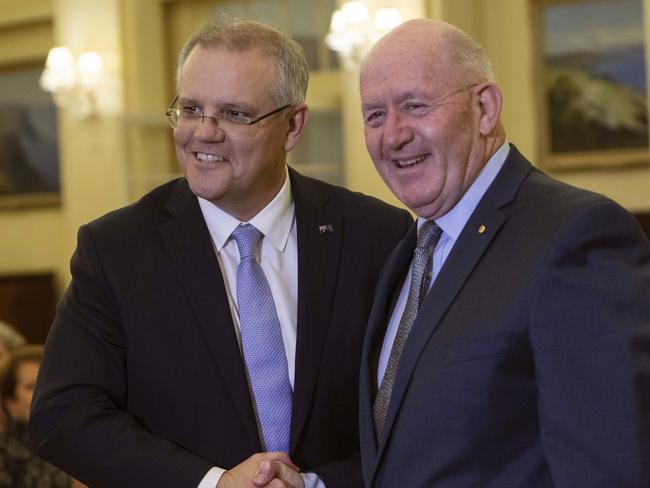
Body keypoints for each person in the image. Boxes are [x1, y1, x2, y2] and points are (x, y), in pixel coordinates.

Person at [29, 17, 411, 488]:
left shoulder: (379, 236)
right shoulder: (115, 250)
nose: (203, 133)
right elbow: (62, 414)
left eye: (234, 113)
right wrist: (213, 484)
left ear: (293, 126)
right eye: (190, 108)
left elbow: (415, 412)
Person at [357, 18, 650, 487]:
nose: (392, 135)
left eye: (414, 105)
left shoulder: (574, 234)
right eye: (374, 115)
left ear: (486, 108)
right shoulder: (406, 255)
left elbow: (609, 467)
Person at [0, 345, 70, 487]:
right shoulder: (4, 454)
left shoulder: (78, 438)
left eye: (49, 382)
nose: (44, 392)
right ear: (11, 403)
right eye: (31, 386)